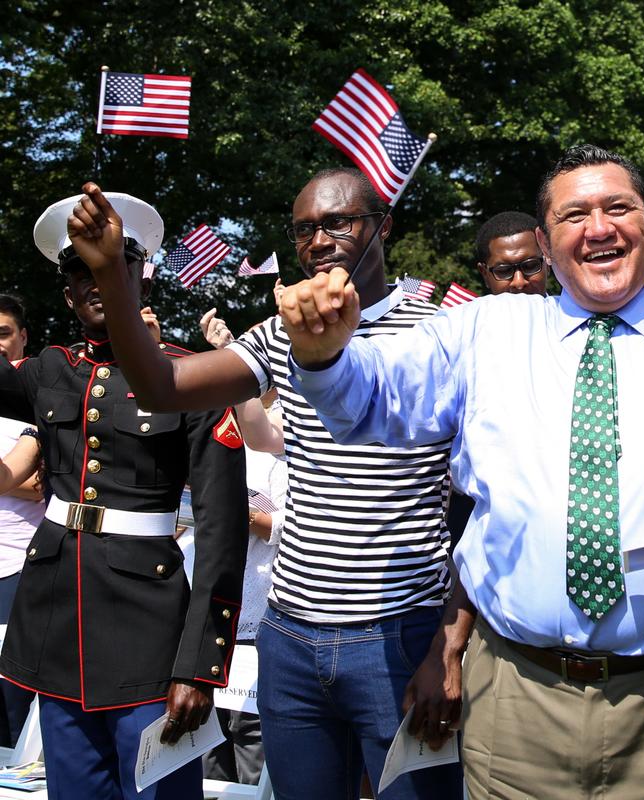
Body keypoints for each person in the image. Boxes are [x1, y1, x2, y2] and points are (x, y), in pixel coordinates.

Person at [277, 144, 644, 798]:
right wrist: (322, 361)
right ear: (546, 241)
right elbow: (371, 403)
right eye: (575, 215)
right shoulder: (482, 333)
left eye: (617, 208)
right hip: (518, 703)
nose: (599, 228)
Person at [70, 168, 462, 799]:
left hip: (400, 633)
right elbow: (160, 387)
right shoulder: (281, 331)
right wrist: (113, 274)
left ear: (382, 227)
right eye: (305, 229)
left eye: (339, 222)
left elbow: (485, 502)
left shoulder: (439, 334)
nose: (320, 240)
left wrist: (449, 644)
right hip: (291, 637)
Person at [0, 192, 247, 799]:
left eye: (109, 263)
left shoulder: (190, 377)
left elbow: (221, 532)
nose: (93, 280)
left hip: (149, 641)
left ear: (139, 272)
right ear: (65, 293)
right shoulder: (50, 370)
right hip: (58, 629)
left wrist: (199, 665)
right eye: (78, 270)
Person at [198, 311, 286, 788]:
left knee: (252, 736)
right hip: (210, 608)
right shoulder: (213, 432)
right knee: (206, 738)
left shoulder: (288, 434)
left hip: (261, 608)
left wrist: (245, 516)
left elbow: (285, 523)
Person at [0, 294, 41, 747]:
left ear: (23, 336)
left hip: (20, 567)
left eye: (4, 334)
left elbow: (42, 483)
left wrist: (15, 473)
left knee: (11, 702)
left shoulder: (37, 390)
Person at [474, 210, 548, 295]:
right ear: (485, 274)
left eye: (530, 266)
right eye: (504, 271)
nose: (519, 283)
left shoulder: (563, 308)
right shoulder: (470, 308)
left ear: (548, 261)